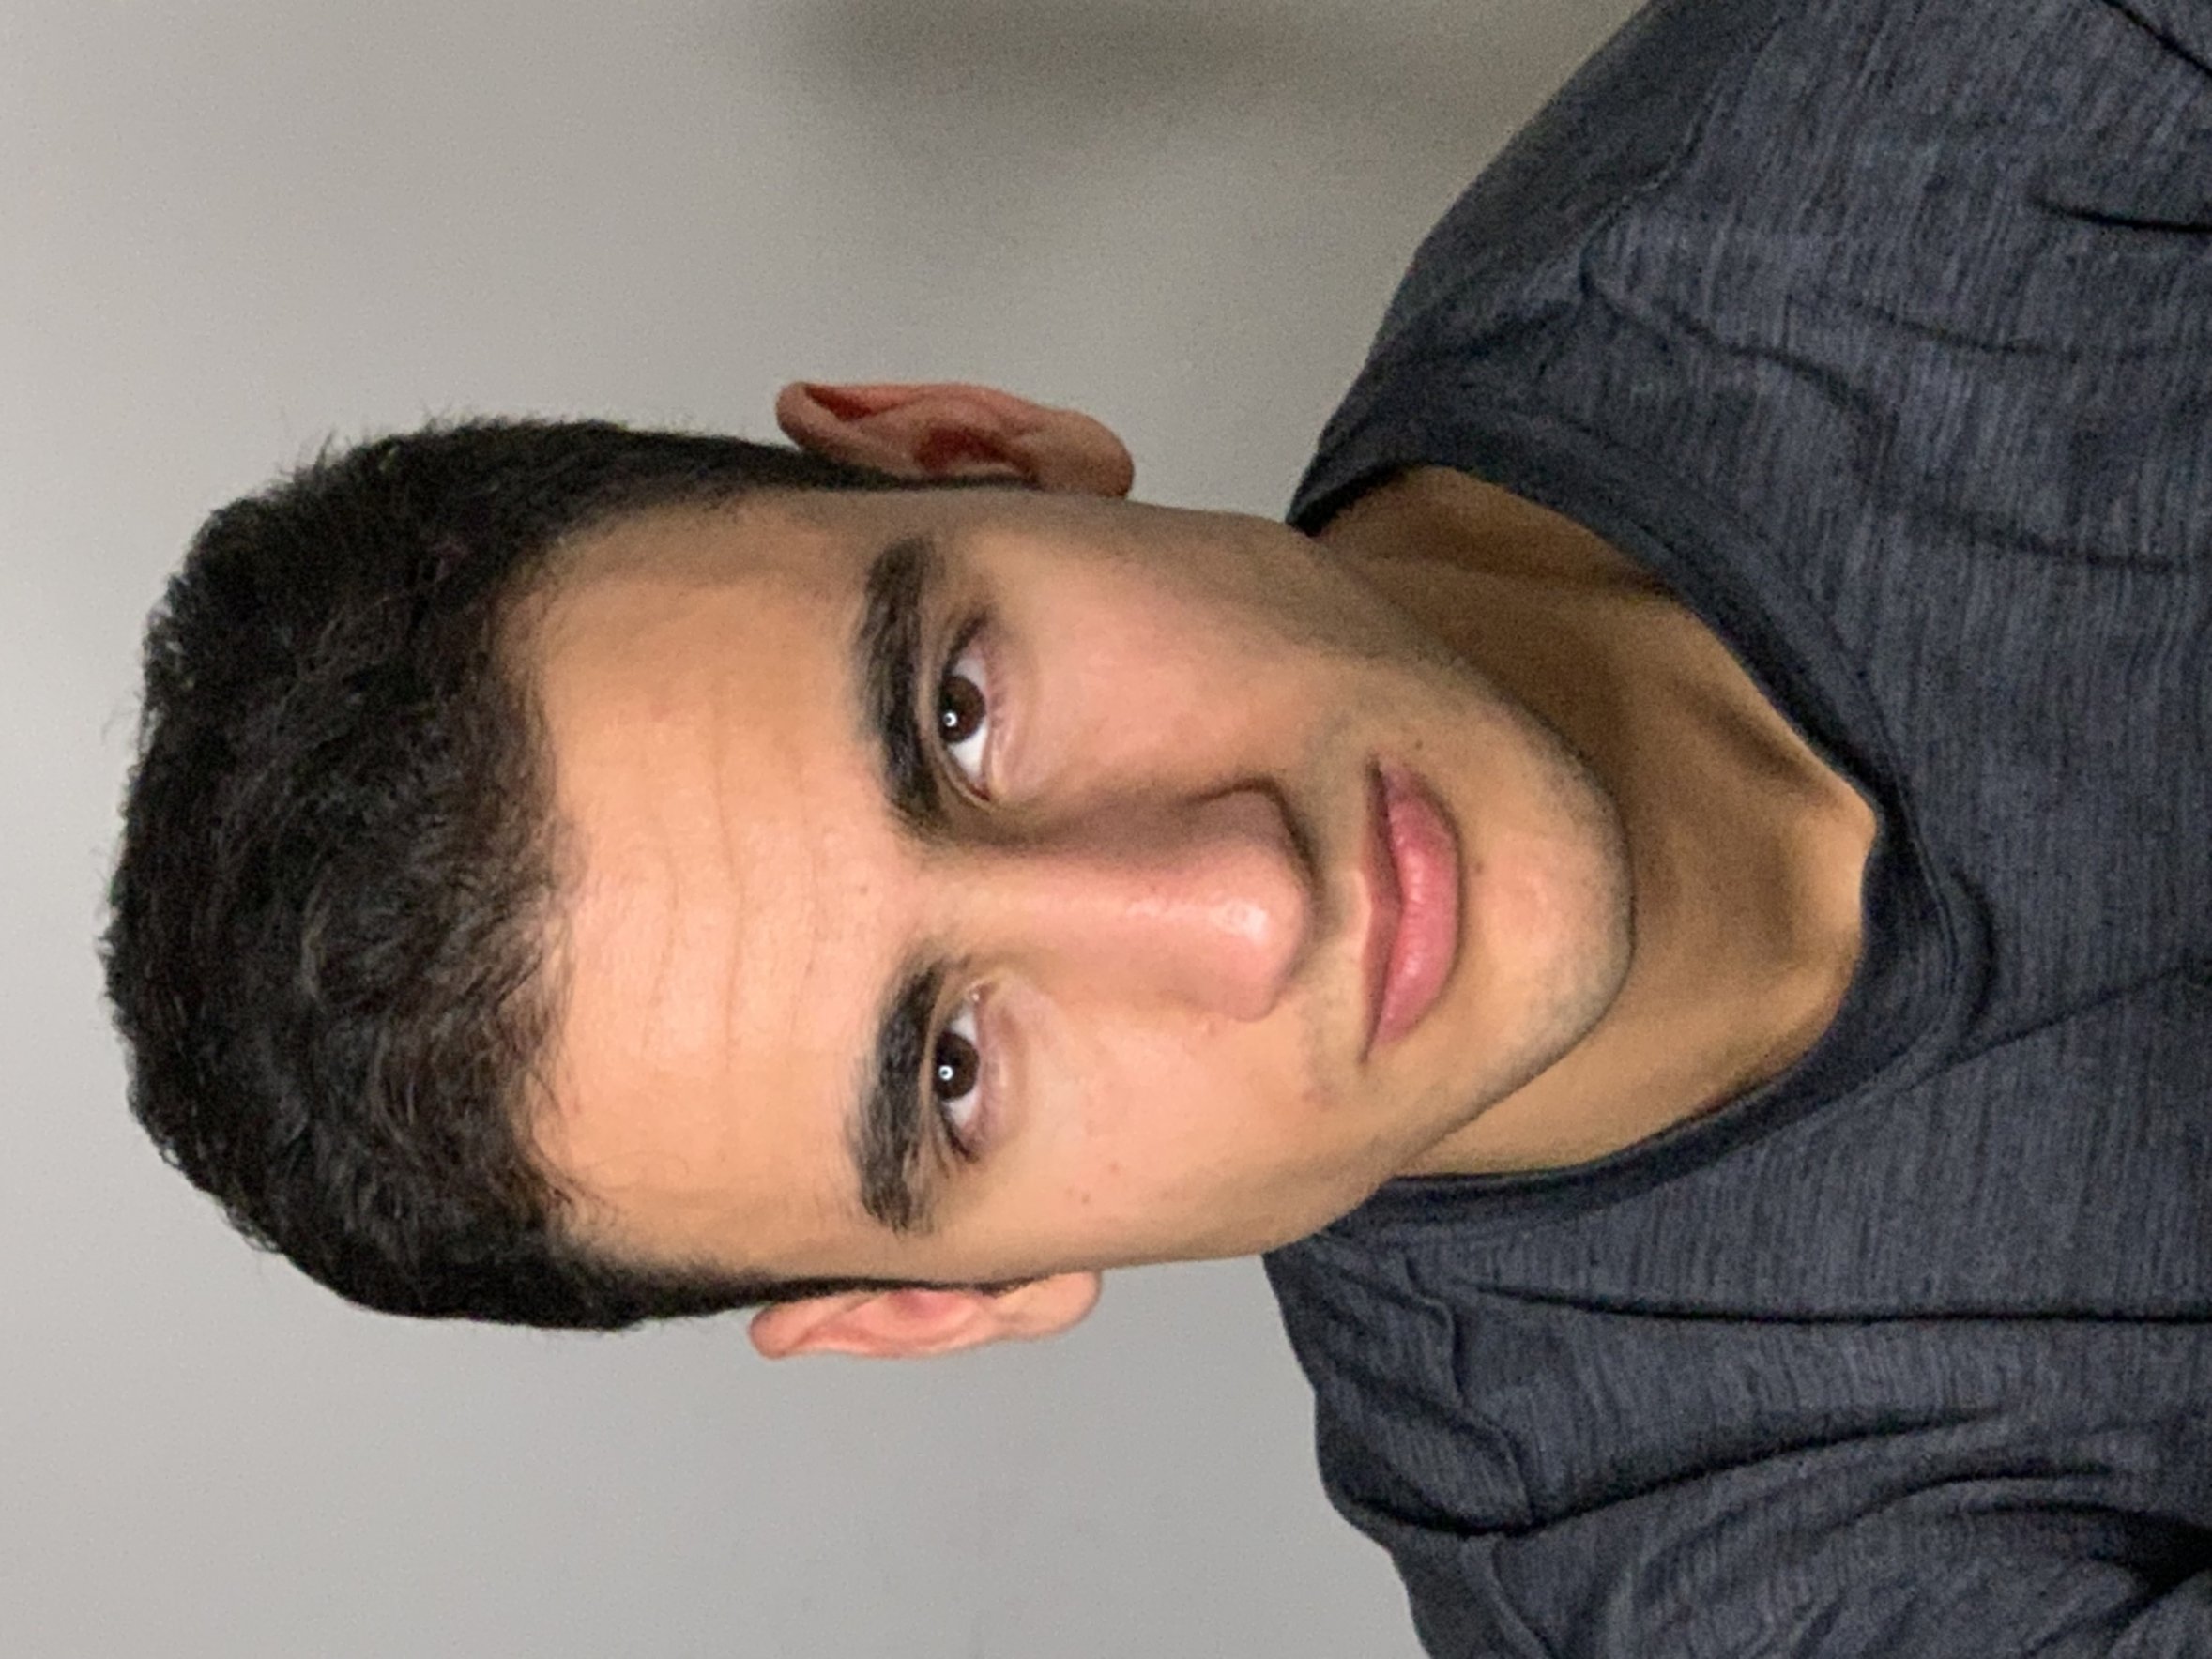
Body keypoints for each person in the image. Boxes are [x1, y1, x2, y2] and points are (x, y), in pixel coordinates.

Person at [104, 0, 2212, 1650]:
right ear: (959, 1295)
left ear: (980, 450)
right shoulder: (1725, 1590)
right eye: (953, 1073)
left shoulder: (1957, 100)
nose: (1234, 898)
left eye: (959, 710)